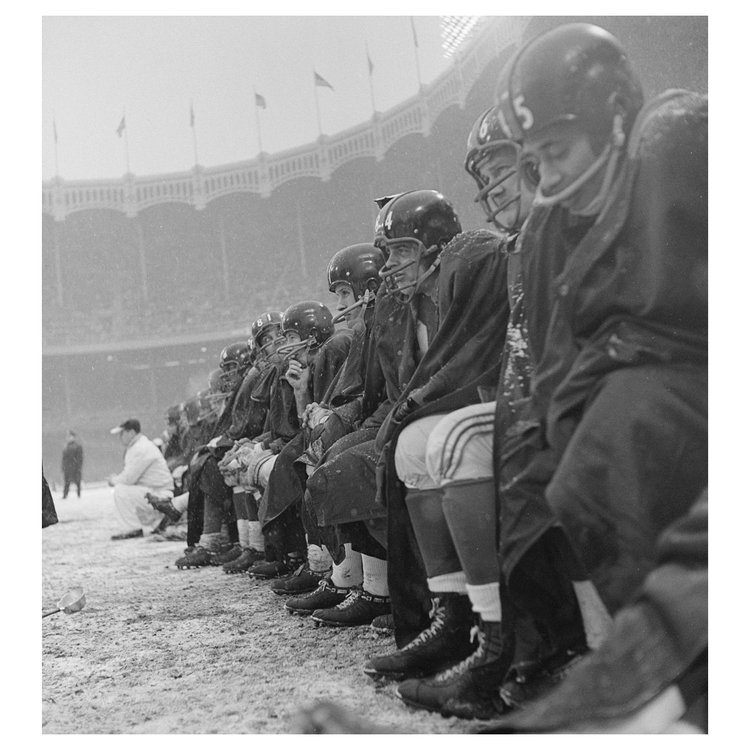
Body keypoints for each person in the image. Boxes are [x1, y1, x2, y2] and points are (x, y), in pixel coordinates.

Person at [107, 418, 174, 540]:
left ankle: (132, 528)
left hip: (161, 495)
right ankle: (151, 525)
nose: (120, 437)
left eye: (122, 433)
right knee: (125, 490)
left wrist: (113, 480)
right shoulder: (139, 445)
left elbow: (128, 478)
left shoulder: (140, 448)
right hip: (156, 491)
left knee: (121, 490)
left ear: (131, 432)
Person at [61, 430, 84, 498]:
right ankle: (65, 495)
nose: (69, 438)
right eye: (68, 436)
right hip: (67, 468)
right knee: (67, 482)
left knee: (77, 482)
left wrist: (78, 467)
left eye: (70, 436)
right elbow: (64, 459)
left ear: (73, 437)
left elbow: (80, 458)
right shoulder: (66, 447)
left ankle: (78, 495)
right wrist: (63, 466)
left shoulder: (77, 446)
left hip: (75, 467)